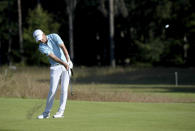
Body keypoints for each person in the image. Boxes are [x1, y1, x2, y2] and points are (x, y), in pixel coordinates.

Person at [33, 29, 73, 119]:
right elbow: (53, 57)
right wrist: (64, 63)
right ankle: (46, 113)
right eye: (38, 40)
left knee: (64, 89)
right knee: (52, 90)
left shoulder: (54, 36)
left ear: (43, 34)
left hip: (67, 63)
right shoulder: (41, 47)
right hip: (55, 67)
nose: (40, 40)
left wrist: (68, 60)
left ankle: (60, 112)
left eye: (40, 38)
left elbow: (63, 47)